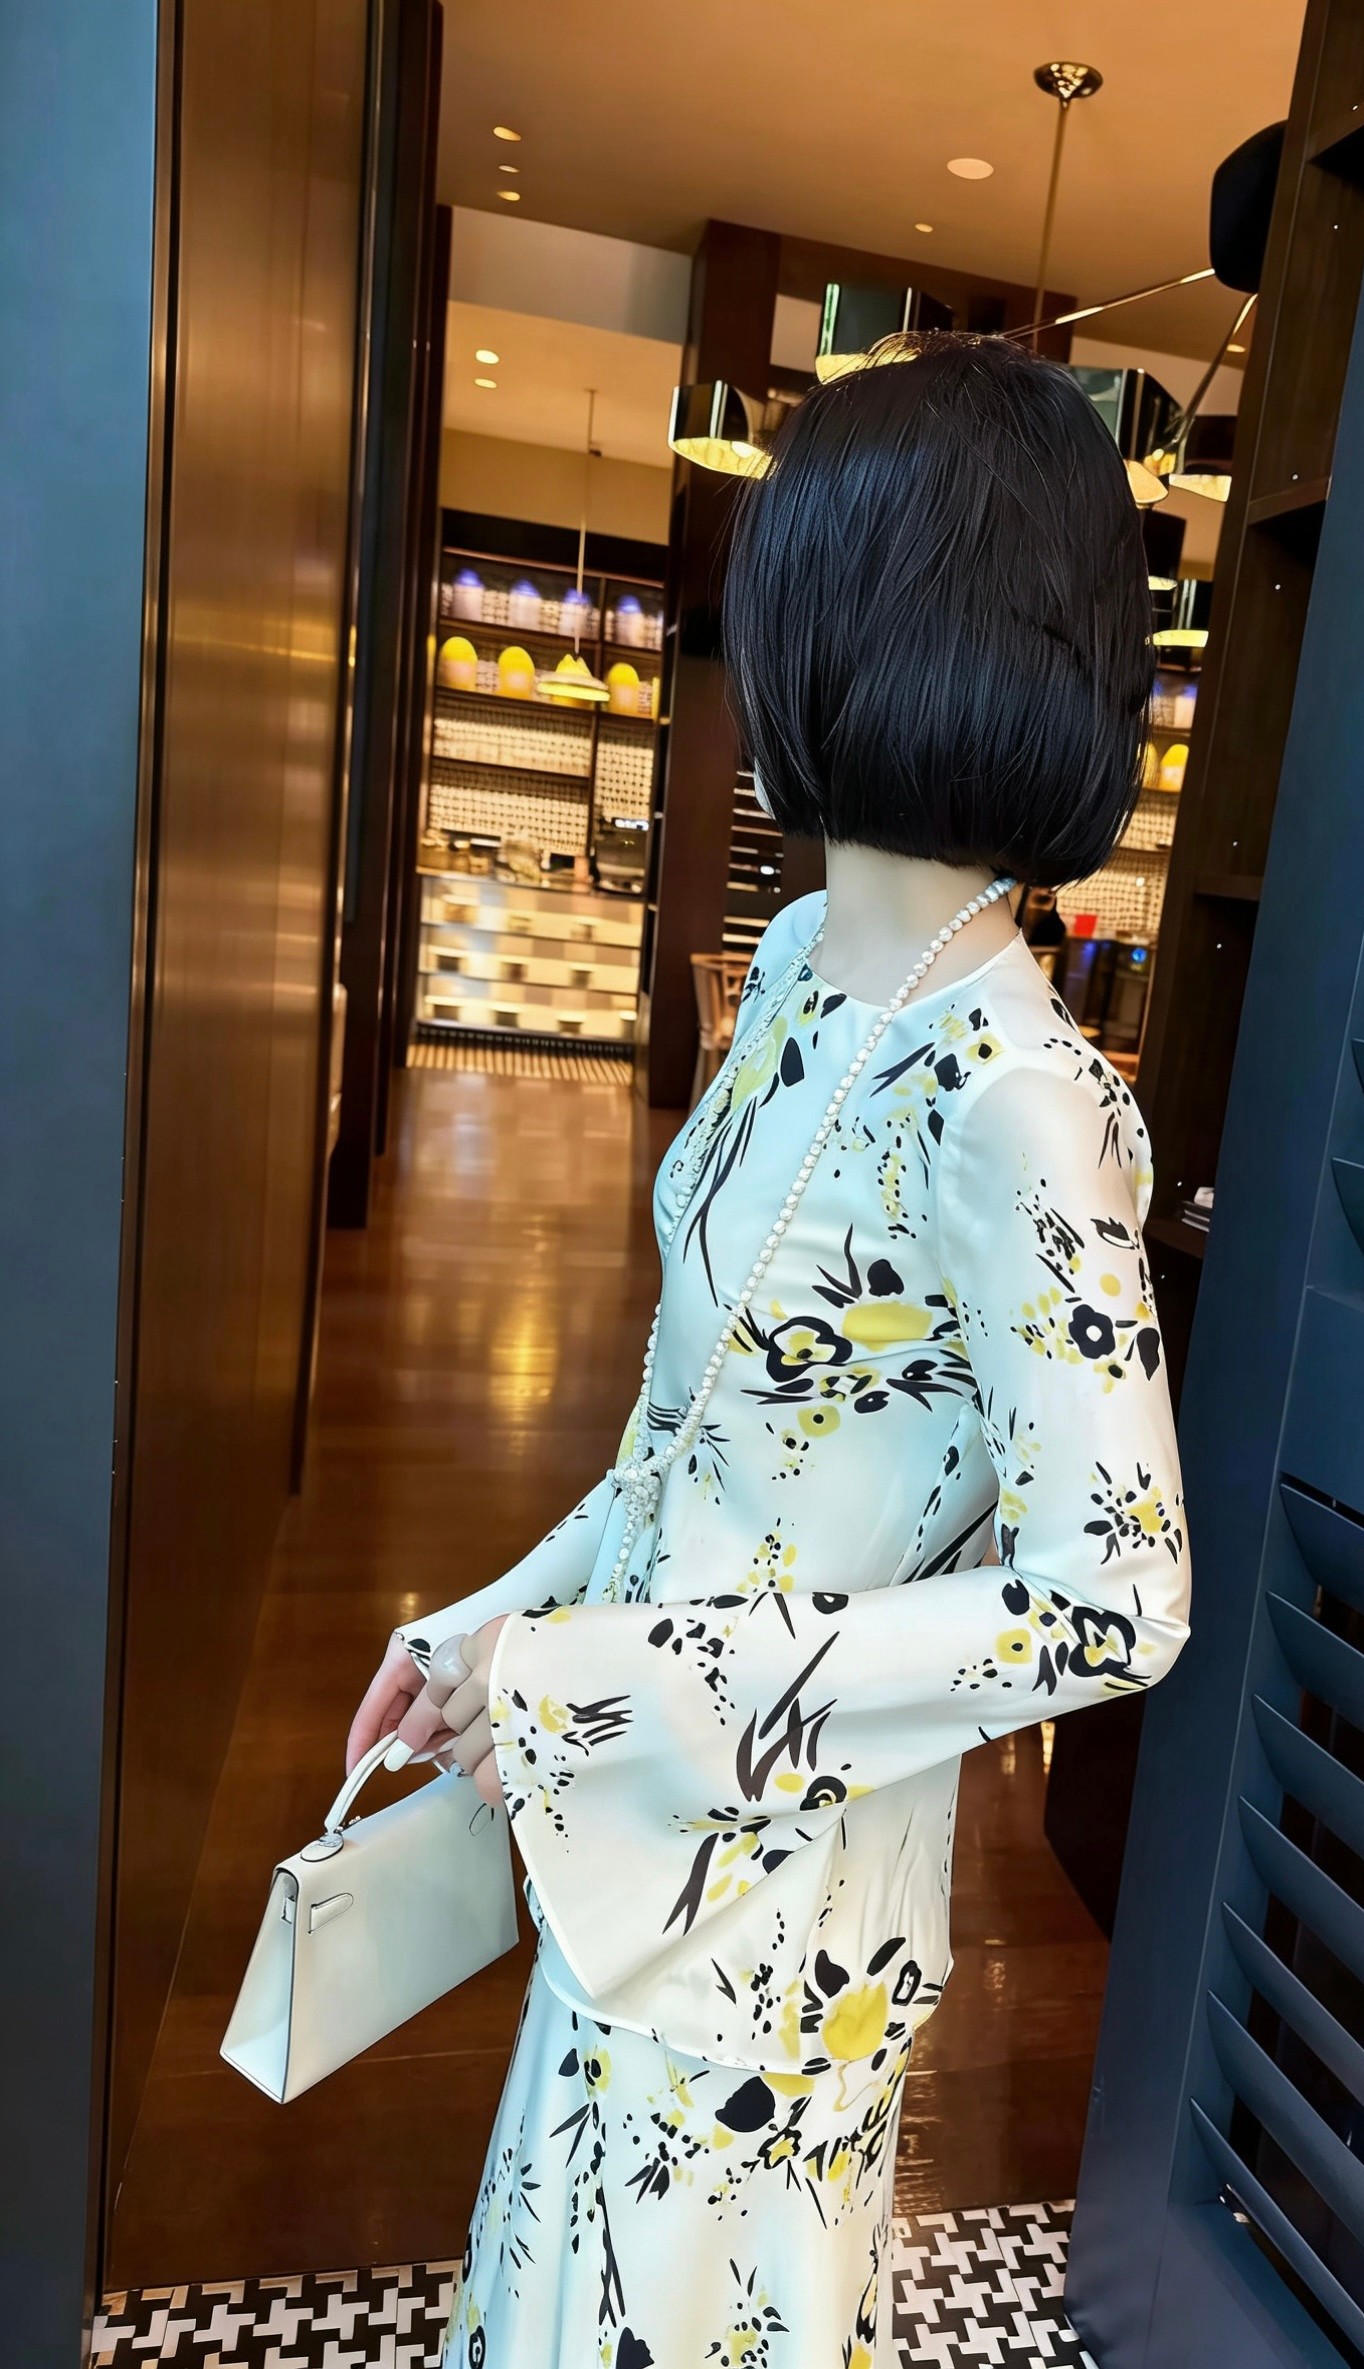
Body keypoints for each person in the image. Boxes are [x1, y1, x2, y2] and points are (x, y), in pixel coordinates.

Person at [347, 331, 1192, 2369]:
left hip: (788, 1896)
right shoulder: (807, 962)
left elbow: (1119, 1600)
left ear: (844, 624)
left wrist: (604, 1684)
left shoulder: (1023, 1099)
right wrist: (500, 1622)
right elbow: (693, 1426)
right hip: (623, 1799)